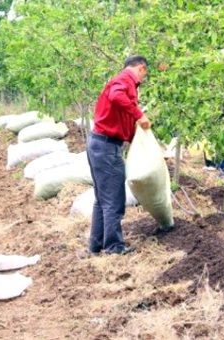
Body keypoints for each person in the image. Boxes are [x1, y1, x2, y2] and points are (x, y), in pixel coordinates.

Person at [86, 56, 151, 255]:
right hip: (106, 147)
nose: (142, 79)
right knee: (114, 199)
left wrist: (138, 142)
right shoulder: (125, 80)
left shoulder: (122, 81)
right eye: (144, 74)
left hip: (99, 144)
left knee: (102, 199)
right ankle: (114, 247)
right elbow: (116, 96)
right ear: (141, 68)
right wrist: (139, 115)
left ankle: (96, 245)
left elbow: (121, 117)